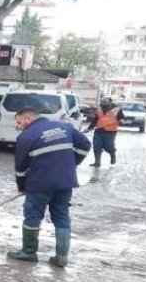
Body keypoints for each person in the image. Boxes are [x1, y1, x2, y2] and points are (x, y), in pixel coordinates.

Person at [8, 107, 91, 267]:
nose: (19, 127)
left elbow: (20, 168)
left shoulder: (26, 137)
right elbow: (85, 144)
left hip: (40, 183)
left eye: (19, 122)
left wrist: (22, 186)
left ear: (27, 119)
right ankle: (61, 257)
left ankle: (29, 252)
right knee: (61, 215)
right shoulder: (65, 127)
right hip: (65, 181)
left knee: (32, 216)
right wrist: (72, 163)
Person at [85, 97, 124, 167]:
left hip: (110, 131)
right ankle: (97, 162)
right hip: (99, 130)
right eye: (102, 102)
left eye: (105, 102)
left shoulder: (117, 109)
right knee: (96, 146)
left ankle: (112, 154)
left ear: (110, 102)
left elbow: (121, 117)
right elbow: (95, 120)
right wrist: (89, 128)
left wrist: (122, 121)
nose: (103, 103)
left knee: (108, 147)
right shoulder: (99, 109)